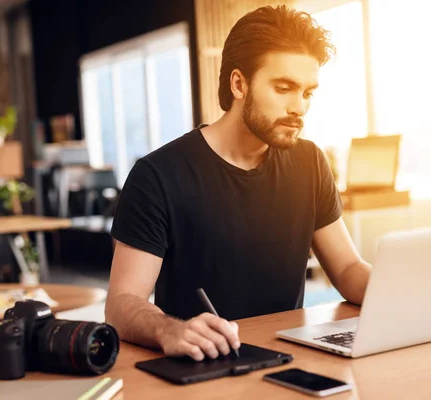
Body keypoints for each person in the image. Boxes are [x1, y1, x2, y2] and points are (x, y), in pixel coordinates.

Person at [105, 5, 371, 362]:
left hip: (289, 359)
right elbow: (121, 304)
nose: (299, 107)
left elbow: (349, 270)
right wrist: (171, 329)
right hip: (202, 365)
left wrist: (403, 288)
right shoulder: (157, 176)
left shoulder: (310, 162)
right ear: (238, 83)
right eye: (283, 88)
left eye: (308, 92)